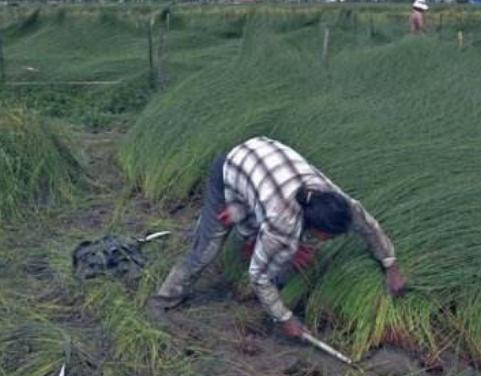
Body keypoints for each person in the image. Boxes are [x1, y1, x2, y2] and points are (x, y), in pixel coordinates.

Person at [148, 136, 408, 339]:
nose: (328, 241)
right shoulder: (283, 225)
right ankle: (163, 301)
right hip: (232, 166)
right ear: (311, 225)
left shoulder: (335, 201)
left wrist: (391, 265)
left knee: (281, 248)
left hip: (264, 166)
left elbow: (369, 227)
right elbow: (258, 277)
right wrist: (285, 319)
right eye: (327, 237)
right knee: (206, 249)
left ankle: (245, 221)